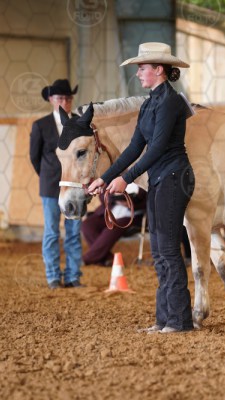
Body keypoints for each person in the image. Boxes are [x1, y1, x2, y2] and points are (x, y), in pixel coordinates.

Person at [88, 42, 195, 334]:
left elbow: (157, 148)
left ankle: (180, 321)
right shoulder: (149, 104)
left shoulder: (170, 102)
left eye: (142, 68)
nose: (138, 73)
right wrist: (106, 178)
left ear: (158, 70)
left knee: (168, 250)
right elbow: (135, 147)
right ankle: (165, 319)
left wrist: (127, 178)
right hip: (161, 180)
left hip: (174, 178)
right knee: (159, 252)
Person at [30, 79, 84, 289]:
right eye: (60, 98)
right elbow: (35, 157)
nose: (65, 102)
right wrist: (47, 174)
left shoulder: (80, 123)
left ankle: (73, 276)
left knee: (74, 232)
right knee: (52, 232)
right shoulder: (40, 125)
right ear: (51, 99)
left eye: (68, 98)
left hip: (76, 186)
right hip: (51, 185)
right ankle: (53, 276)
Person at [82, 183, 147, 266]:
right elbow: (102, 194)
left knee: (111, 229)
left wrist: (131, 204)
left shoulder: (144, 180)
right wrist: (113, 197)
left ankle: (86, 259)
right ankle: (108, 258)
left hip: (131, 216)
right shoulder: (115, 176)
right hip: (109, 212)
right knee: (87, 225)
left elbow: (150, 201)